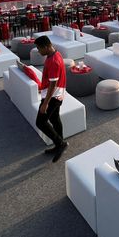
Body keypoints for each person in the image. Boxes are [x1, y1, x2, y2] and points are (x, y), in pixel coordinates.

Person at [33, 35, 68, 163]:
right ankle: (60, 144)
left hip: (53, 97)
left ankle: (60, 144)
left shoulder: (53, 61)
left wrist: (45, 104)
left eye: (39, 48)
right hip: (57, 94)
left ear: (47, 47)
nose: (38, 51)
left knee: (40, 122)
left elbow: (53, 84)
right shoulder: (55, 54)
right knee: (54, 119)